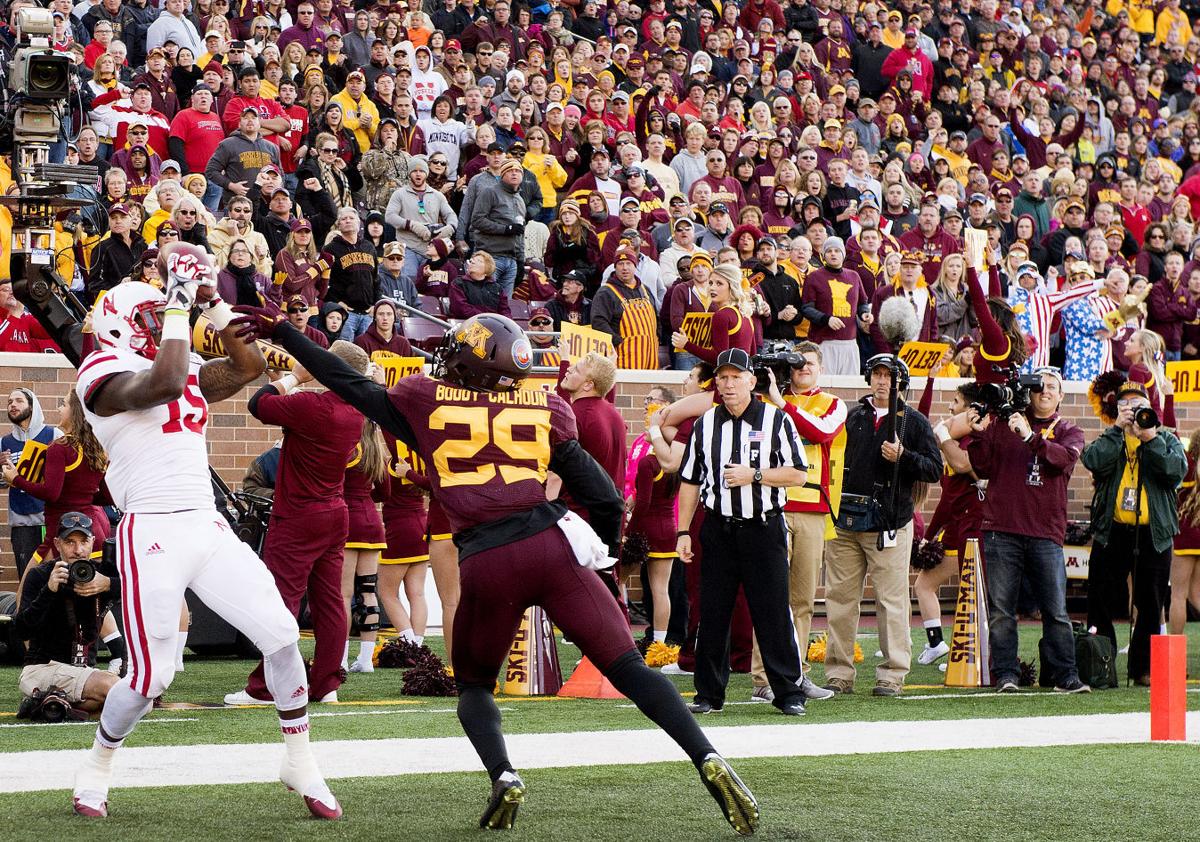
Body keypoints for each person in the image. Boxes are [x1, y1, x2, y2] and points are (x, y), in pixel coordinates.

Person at [231, 308, 760, 836]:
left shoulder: (424, 397)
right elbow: (601, 491)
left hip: (487, 561)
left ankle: (504, 774)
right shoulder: (546, 404)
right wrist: (599, 552)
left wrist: (283, 332)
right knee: (629, 668)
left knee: (476, 687)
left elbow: (345, 379)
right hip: (553, 549)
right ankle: (706, 754)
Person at [73, 253, 340, 819]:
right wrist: (173, 298)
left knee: (283, 635)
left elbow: (246, 370)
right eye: (148, 318)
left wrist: (213, 302)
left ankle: (300, 760)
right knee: (150, 677)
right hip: (151, 529)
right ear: (122, 323)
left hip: (206, 522)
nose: (162, 325)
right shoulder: (99, 371)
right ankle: (97, 764)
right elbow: (166, 381)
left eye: (160, 318)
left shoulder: (179, 357)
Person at [228, 340, 368, 706]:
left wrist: (294, 377)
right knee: (331, 603)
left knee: (281, 601)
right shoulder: (356, 410)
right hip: (335, 513)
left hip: (299, 515)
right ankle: (327, 685)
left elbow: (258, 404)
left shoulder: (315, 405)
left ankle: (264, 687)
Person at [676, 347, 810, 716]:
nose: (729, 384)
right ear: (715, 383)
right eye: (723, 377)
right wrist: (682, 531)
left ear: (753, 381)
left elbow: (799, 472)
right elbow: (689, 481)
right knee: (712, 612)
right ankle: (708, 693)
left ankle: (788, 692)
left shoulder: (776, 421)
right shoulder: (705, 424)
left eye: (737, 377)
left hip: (763, 528)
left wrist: (755, 475)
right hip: (718, 528)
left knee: (772, 612)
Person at [960, 367, 1091, 694]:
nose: (1044, 391)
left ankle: (1066, 676)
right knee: (1002, 611)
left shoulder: (1069, 430)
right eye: (1038, 386)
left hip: (1046, 533)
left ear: (1061, 395)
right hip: (1001, 529)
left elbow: (1061, 461)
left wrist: (1030, 437)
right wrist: (977, 433)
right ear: (1028, 391)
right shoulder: (1005, 422)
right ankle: (1006, 674)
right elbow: (983, 465)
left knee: (1056, 611)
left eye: (1052, 387)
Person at [823, 355, 942, 697]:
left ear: (900, 382)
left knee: (891, 601)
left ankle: (892, 674)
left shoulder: (914, 422)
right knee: (839, 598)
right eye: (877, 374)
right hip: (845, 521)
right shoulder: (851, 416)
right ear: (868, 378)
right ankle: (839, 672)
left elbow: (934, 469)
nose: (882, 382)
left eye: (889, 376)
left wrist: (904, 456)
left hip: (889, 522)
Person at [753, 342, 846, 702]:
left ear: (821, 368)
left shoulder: (833, 404)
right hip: (772, 504)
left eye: (810, 363)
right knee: (768, 595)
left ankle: (796, 674)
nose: (803, 368)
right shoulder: (764, 401)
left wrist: (782, 403)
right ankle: (762, 677)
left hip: (811, 510)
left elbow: (822, 432)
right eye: (797, 364)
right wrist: (774, 397)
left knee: (803, 599)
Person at [1082, 380, 1186, 685]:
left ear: (1150, 408)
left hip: (1153, 533)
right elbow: (1092, 460)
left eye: (1139, 405)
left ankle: (1142, 668)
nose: (1133, 410)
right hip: (1112, 531)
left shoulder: (1166, 438)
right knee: (1100, 598)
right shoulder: (1111, 437)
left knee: (1151, 603)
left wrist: (1150, 437)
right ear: (1118, 409)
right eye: (1126, 405)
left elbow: (1175, 472)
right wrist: (1117, 430)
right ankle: (1101, 664)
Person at [12, 513, 119, 715]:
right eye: (70, 542)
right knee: (117, 690)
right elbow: (21, 630)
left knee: (141, 704)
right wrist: (49, 590)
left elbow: (142, 590)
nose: (78, 550)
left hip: (83, 670)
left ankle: (47, 704)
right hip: (41, 668)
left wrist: (108, 583)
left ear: (93, 543)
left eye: (83, 541)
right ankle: (50, 700)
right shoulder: (41, 575)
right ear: (57, 544)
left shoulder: (98, 576)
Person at [341, 412, 390, 674]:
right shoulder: (376, 452)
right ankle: (365, 658)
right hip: (373, 523)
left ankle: (339, 658)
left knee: (343, 593)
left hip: (349, 521)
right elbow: (386, 492)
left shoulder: (349, 450)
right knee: (368, 591)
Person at [2, 388, 59, 580]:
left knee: (54, 577)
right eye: (10, 402)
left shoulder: (53, 434)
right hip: (21, 522)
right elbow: (3, 484)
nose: (13, 405)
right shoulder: (4, 442)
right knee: (27, 580)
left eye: (19, 401)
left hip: (49, 519)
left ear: (32, 406)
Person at [591, 246, 660, 369]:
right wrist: (618, 341)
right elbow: (598, 322)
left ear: (635, 266)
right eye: (620, 264)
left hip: (650, 356)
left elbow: (656, 317)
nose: (625, 268)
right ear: (615, 267)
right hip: (622, 358)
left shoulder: (645, 290)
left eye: (628, 263)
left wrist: (657, 336)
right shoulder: (606, 292)